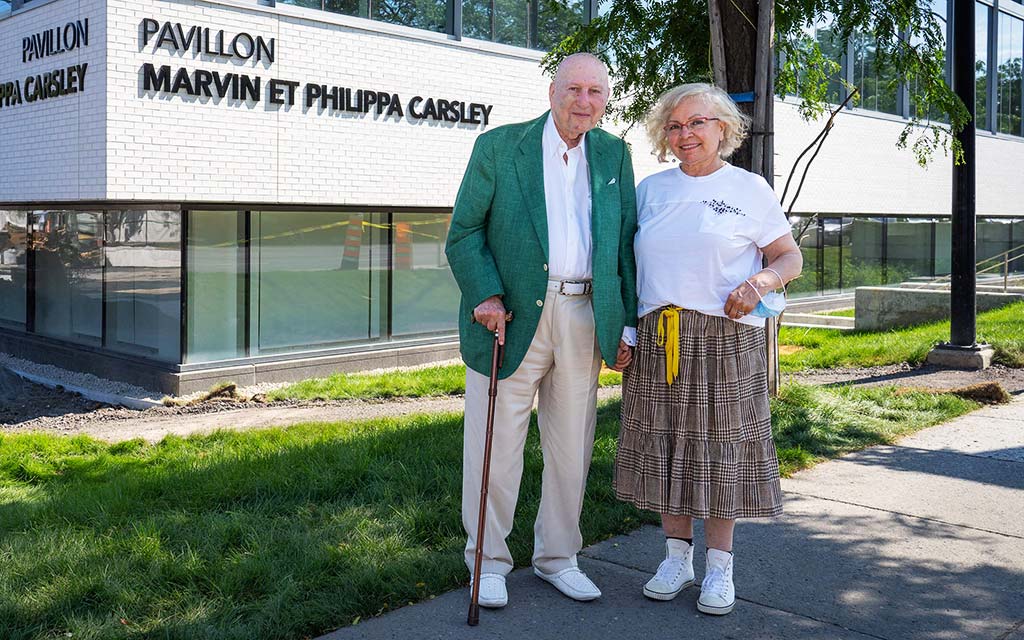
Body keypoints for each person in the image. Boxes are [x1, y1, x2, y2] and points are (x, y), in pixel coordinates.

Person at [445, 52, 638, 609]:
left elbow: (623, 243)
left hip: (585, 316)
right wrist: (484, 294)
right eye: (573, 89)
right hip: (509, 317)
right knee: (495, 447)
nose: (584, 101)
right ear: (552, 91)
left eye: (596, 92)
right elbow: (464, 232)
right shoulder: (500, 147)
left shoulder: (614, 154)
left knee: (571, 447)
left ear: (606, 99)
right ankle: (487, 562)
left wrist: (624, 322)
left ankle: (559, 558)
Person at [613, 83, 803, 616]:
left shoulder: (748, 188)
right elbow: (633, 269)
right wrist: (627, 331)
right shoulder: (650, 190)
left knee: (719, 453)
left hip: (726, 335)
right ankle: (676, 557)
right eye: (674, 126)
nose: (685, 135)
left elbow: (788, 257)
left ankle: (720, 566)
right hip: (658, 335)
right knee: (666, 447)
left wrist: (759, 283)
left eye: (696, 123)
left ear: (723, 127)